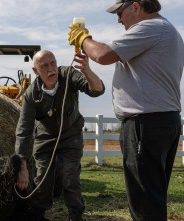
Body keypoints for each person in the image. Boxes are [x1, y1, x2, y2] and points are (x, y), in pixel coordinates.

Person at [68, 0, 184, 220]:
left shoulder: (151, 28)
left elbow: (102, 54)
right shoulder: (167, 30)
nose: (119, 19)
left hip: (146, 124)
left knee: (144, 204)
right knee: (152, 197)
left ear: (137, 7)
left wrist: (81, 38)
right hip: (159, 122)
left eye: (120, 13)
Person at [15, 49, 105, 221]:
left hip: (71, 134)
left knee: (70, 175)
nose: (51, 69)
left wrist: (86, 70)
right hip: (45, 137)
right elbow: (23, 130)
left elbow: (98, 90)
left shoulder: (69, 74)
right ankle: (37, 214)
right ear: (36, 71)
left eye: (53, 63)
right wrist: (22, 167)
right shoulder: (31, 95)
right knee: (42, 178)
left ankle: (75, 214)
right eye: (44, 66)